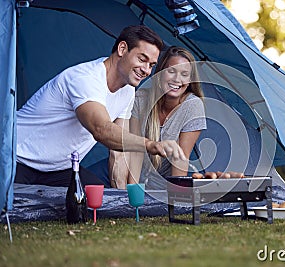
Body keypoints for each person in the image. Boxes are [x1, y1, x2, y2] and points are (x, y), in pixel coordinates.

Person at [15, 25, 186, 187]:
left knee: (99, 200)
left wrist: (123, 201)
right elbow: (101, 129)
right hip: (17, 159)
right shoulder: (85, 79)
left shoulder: (128, 91)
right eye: (142, 59)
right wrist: (151, 145)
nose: (146, 71)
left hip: (59, 169)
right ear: (122, 49)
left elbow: (119, 149)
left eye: (151, 65)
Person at [110, 46, 207, 189]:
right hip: (129, 169)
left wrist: (176, 196)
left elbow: (180, 158)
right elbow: (135, 150)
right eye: (171, 71)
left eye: (184, 74)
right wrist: (133, 192)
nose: (177, 79)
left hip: (162, 180)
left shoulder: (193, 106)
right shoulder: (141, 98)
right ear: (160, 73)